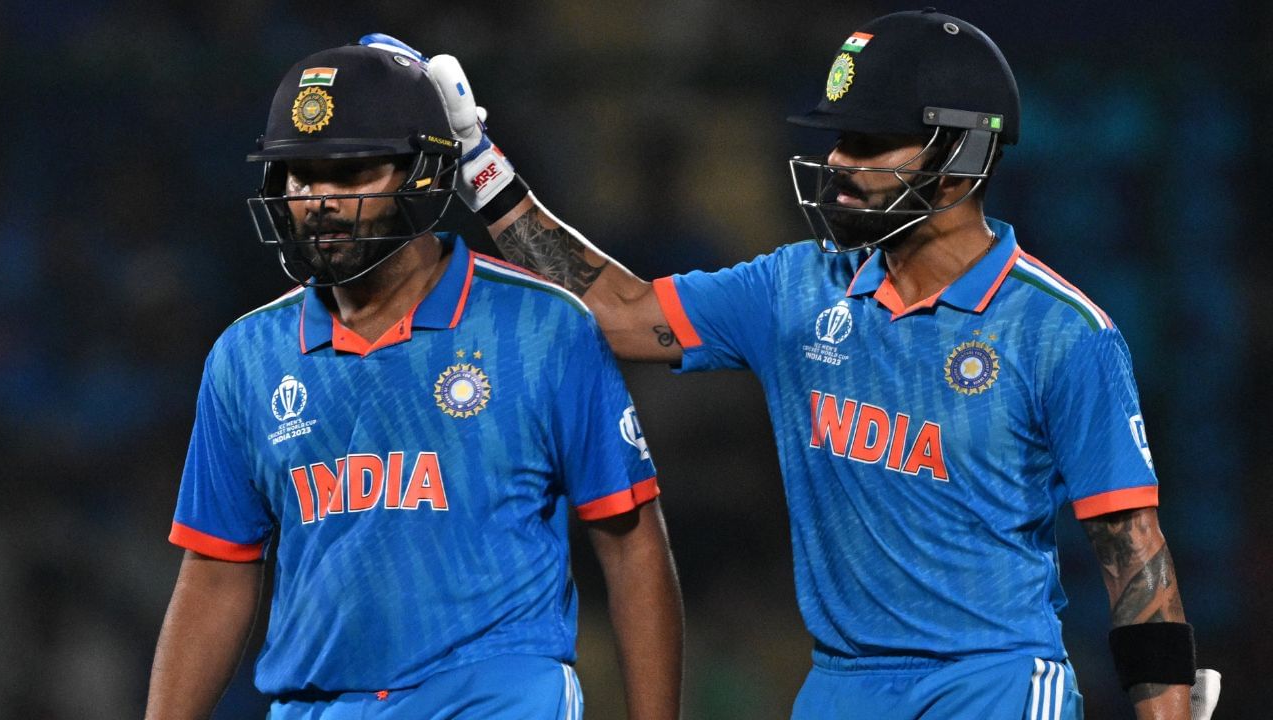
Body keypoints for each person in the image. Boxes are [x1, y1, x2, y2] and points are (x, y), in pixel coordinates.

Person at [404, 9, 1208, 720]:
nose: (838, 165)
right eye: (837, 140)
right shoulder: (795, 288)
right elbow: (615, 313)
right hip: (839, 688)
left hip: (990, 684)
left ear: (962, 155)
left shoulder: (1064, 333)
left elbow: (1131, 548)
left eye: (867, 143)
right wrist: (481, 166)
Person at [145, 42, 683, 720]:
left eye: (349, 175)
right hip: (317, 705)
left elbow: (631, 545)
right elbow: (219, 570)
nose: (318, 201)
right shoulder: (245, 356)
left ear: (425, 175)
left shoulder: (542, 327)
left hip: (495, 694)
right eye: (300, 176)